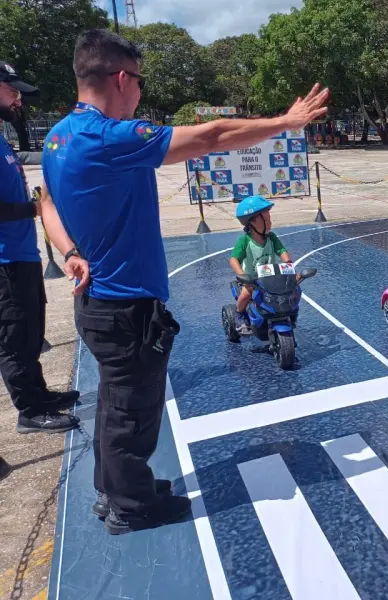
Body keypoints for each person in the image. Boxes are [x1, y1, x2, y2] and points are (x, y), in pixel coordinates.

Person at [40, 29, 329, 535]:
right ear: (122, 78)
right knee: (132, 413)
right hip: (126, 305)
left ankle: (116, 490)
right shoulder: (107, 136)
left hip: (97, 302)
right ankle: (132, 507)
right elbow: (212, 137)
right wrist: (286, 122)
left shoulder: (58, 136)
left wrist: (69, 253)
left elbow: (46, 203)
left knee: (114, 403)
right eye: (140, 83)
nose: (140, 96)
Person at [0, 60, 83, 434]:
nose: (18, 97)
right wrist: (36, 208)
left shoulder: (2, 137)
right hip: (4, 261)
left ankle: (41, 393)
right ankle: (29, 410)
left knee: (32, 331)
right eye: (11, 89)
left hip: (22, 253)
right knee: (14, 337)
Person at [229, 196, 291, 335]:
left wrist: (288, 264)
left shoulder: (272, 238)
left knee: (287, 290)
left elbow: (282, 251)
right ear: (252, 222)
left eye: (270, 220)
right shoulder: (244, 240)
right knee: (247, 293)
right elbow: (233, 259)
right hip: (252, 280)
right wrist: (242, 275)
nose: (270, 223)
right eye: (267, 221)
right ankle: (240, 314)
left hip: (271, 277)